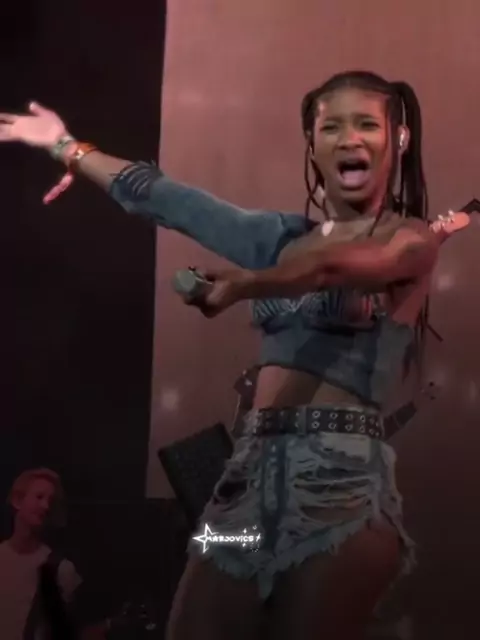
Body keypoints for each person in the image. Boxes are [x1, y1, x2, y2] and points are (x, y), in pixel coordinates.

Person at [0, 70, 469, 640]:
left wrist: (246, 284)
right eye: (332, 126)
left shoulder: (410, 240)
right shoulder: (280, 238)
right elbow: (168, 199)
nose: (349, 138)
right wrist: (64, 145)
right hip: (244, 489)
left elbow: (330, 268)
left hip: (339, 489)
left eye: (367, 124)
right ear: (312, 142)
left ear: (398, 139)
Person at [0, 468, 82, 639]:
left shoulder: (61, 569)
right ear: (17, 500)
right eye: (39, 497)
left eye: (50, 501)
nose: (45, 506)